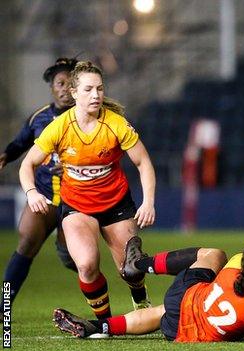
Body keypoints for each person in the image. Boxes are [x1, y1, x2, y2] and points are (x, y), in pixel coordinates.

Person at [18, 61, 155, 319]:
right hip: (77, 206)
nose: (96, 95)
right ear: (74, 93)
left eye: (100, 89)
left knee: (131, 271)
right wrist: (31, 192)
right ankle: (105, 323)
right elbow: (28, 164)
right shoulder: (59, 127)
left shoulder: (116, 124)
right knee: (87, 265)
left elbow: (143, 162)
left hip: (116, 205)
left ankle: (140, 300)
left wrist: (148, 202)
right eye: (89, 89)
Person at [53, 222, 244, 341]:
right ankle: (103, 324)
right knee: (160, 314)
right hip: (179, 328)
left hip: (183, 295)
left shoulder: (237, 264)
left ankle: (139, 266)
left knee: (212, 254)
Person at [2, 58, 78, 302]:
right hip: (43, 197)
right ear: (52, 87)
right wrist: (6, 155)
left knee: (75, 258)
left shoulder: (87, 117)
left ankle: (106, 304)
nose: (65, 88)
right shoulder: (39, 118)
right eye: (60, 83)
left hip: (75, 201)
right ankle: (4, 304)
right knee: (26, 243)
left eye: (70, 83)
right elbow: (20, 143)